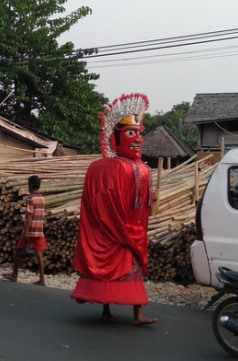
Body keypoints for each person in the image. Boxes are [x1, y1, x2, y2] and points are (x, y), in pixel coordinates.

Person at [70, 93, 157, 326]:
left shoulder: (141, 167)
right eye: (131, 133)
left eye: (139, 133)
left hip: (128, 229)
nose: (137, 139)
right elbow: (103, 201)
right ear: (116, 139)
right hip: (120, 231)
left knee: (125, 273)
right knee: (125, 272)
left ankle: (124, 312)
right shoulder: (108, 168)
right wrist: (124, 229)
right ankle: (127, 313)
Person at [2, 175, 47, 286]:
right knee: (39, 254)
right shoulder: (42, 198)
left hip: (30, 230)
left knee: (18, 251)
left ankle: (14, 275)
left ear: (31, 185)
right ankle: (42, 279)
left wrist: (26, 230)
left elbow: (30, 215)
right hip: (39, 230)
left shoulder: (30, 199)